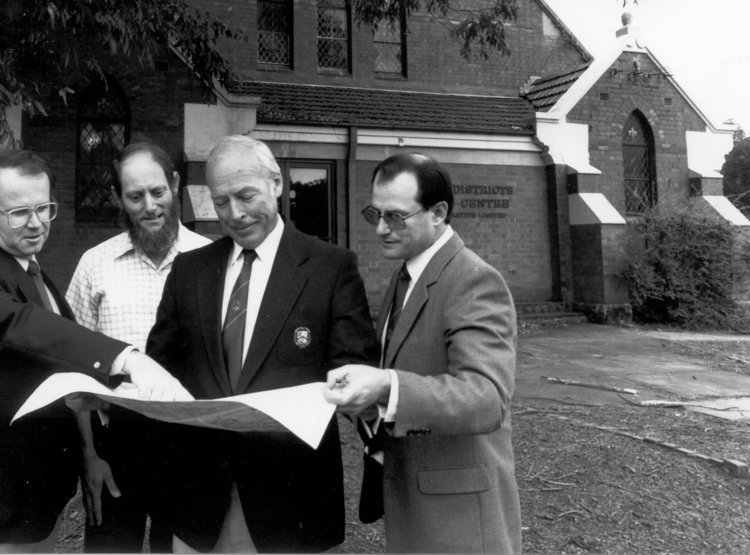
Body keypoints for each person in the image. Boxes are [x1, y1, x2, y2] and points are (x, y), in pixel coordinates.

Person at [0, 149, 189, 553]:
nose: (36, 223)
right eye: (19, 212)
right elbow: (20, 324)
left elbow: (63, 376)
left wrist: (88, 457)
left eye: (44, 208)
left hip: (35, 510)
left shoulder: (37, 275)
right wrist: (129, 358)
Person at [146, 135, 378, 553]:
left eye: (246, 195)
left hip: (291, 501)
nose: (234, 214)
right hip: (201, 499)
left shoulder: (330, 268)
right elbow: (161, 368)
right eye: (220, 202)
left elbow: (354, 369)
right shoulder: (189, 270)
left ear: (276, 183)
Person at [323, 152, 521, 554]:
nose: (381, 228)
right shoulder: (407, 273)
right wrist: (371, 403)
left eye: (395, 216)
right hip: (416, 502)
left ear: (438, 212)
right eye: (375, 214)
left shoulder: (473, 279)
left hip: (461, 518)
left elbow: (486, 398)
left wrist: (387, 387)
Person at [65, 142, 210, 553]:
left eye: (158, 192)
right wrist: (89, 456)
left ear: (176, 185)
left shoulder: (211, 261)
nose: (149, 206)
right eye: (135, 196)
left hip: (189, 444)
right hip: (115, 446)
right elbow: (73, 369)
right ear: (118, 199)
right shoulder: (95, 264)